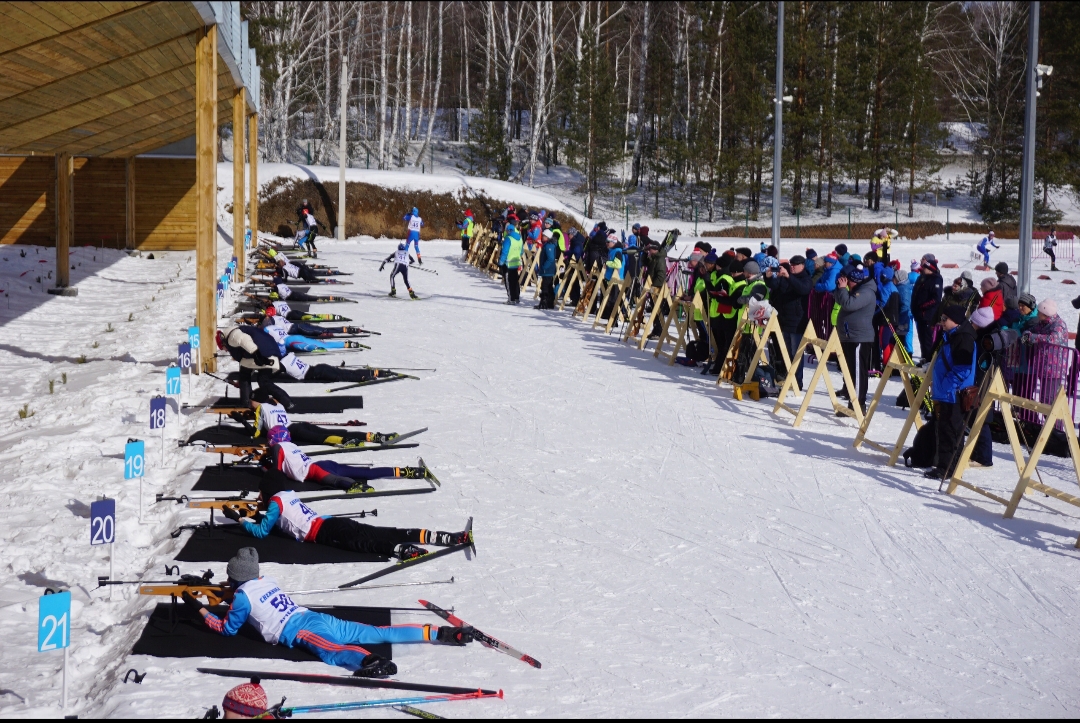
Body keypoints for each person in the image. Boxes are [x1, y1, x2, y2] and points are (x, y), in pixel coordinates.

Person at [186, 548, 473, 679]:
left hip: (299, 630)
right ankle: (441, 632)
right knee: (376, 632)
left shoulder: (241, 597)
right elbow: (242, 593)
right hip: (315, 617)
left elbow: (227, 628)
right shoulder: (266, 580)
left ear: (236, 578)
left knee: (333, 651)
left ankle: (371, 661)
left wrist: (198, 607)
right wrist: (219, 590)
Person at [224, 475, 470, 560]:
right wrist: (256, 512)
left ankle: (404, 550)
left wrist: (239, 519)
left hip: (326, 533)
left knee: (365, 544)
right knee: (381, 531)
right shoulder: (286, 494)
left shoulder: (275, 503)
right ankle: (447, 537)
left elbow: (262, 531)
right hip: (331, 521)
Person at [260, 441, 436, 494]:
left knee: (336, 481)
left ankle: (355, 486)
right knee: (367, 472)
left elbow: (276, 469)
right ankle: (410, 471)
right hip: (324, 463)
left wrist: (268, 468)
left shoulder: (278, 449)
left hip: (316, 471)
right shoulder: (290, 446)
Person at [925, 306, 977, 479]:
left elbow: (963, 369)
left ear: (955, 320)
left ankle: (948, 468)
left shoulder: (963, 338)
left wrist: (947, 385)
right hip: (946, 391)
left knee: (951, 432)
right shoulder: (952, 335)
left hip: (954, 393)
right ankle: (944, 465)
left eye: (944, 319)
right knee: (945, 429)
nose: (942, 322)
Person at [240, 398, 394, 448]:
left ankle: (350, 442)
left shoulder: (260, 408)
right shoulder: (277, 405)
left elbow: (256, 433)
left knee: (322, 438)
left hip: (291, 431)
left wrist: (242, 420)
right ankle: (372, 436)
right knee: (326, 432)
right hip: (297, 425)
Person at [833, 263, 877, 412]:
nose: (845, 283)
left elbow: (848, 304)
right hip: (849, 336)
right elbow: (840, 300)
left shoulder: (866, 292)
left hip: (860, 338)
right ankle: (853, 403)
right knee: (851, 372)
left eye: (847, 280)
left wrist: (842, 290)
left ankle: (858, 405)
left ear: (854, 280)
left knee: (858, 373)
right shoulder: (856, 289)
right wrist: (839, 289)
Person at [217, 325, 292, 409]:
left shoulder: (232, 336)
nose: (226, 350)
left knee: (253, 378)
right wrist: (241, 382)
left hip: (263, 354)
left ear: (223, 342)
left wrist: (256, 354)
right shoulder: (239, 330)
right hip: (270, 352)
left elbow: (244, 340)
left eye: (223, 348)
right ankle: (286, 402)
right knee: (259, 379)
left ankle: (246, 402)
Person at [765, 255, 812, 389]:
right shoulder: (785, 277)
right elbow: (775, 286)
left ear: (802, 265)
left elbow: (803, 289)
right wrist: (768, 276)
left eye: (795, 265)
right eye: (791, 264)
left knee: (796, 353)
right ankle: (788, 377)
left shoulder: (805, 278)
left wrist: (788, 277)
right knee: (785, 351)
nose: (792, 267)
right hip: (784, 319)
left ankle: (797, 382)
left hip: (797, 321)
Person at [911, 255, 943, 362]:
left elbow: (936, 299)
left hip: (928, 315)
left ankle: (928, 362)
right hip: (920, 315)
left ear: (930, 269)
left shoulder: (936, 279)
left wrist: (923, 306)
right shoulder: (923, 277)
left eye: (924, 268)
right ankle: (924, 358)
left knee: (928, 340)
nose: (922, 270)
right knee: (922, 340)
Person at [499, 218, 524, 304]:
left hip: (508, 263)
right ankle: (517, 297)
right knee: (515, 281)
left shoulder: (508, 239)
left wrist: (501, 262)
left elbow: (504, 252)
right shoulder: (520, 238)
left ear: (508, 230)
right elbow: (521, 251)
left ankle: (511, 299)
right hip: (516, 262)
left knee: (508, 282)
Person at [536, 229, 558, 310]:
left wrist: (544, 267)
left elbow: (551, 258)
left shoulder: (549, 246)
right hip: (548, 270)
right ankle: (549, 303)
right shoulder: (548, 245)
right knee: (548, 286)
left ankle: (544, 303)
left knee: (545, 286)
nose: (542, 237)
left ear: (548, 237)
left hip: (547, 270)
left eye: (544, 236)